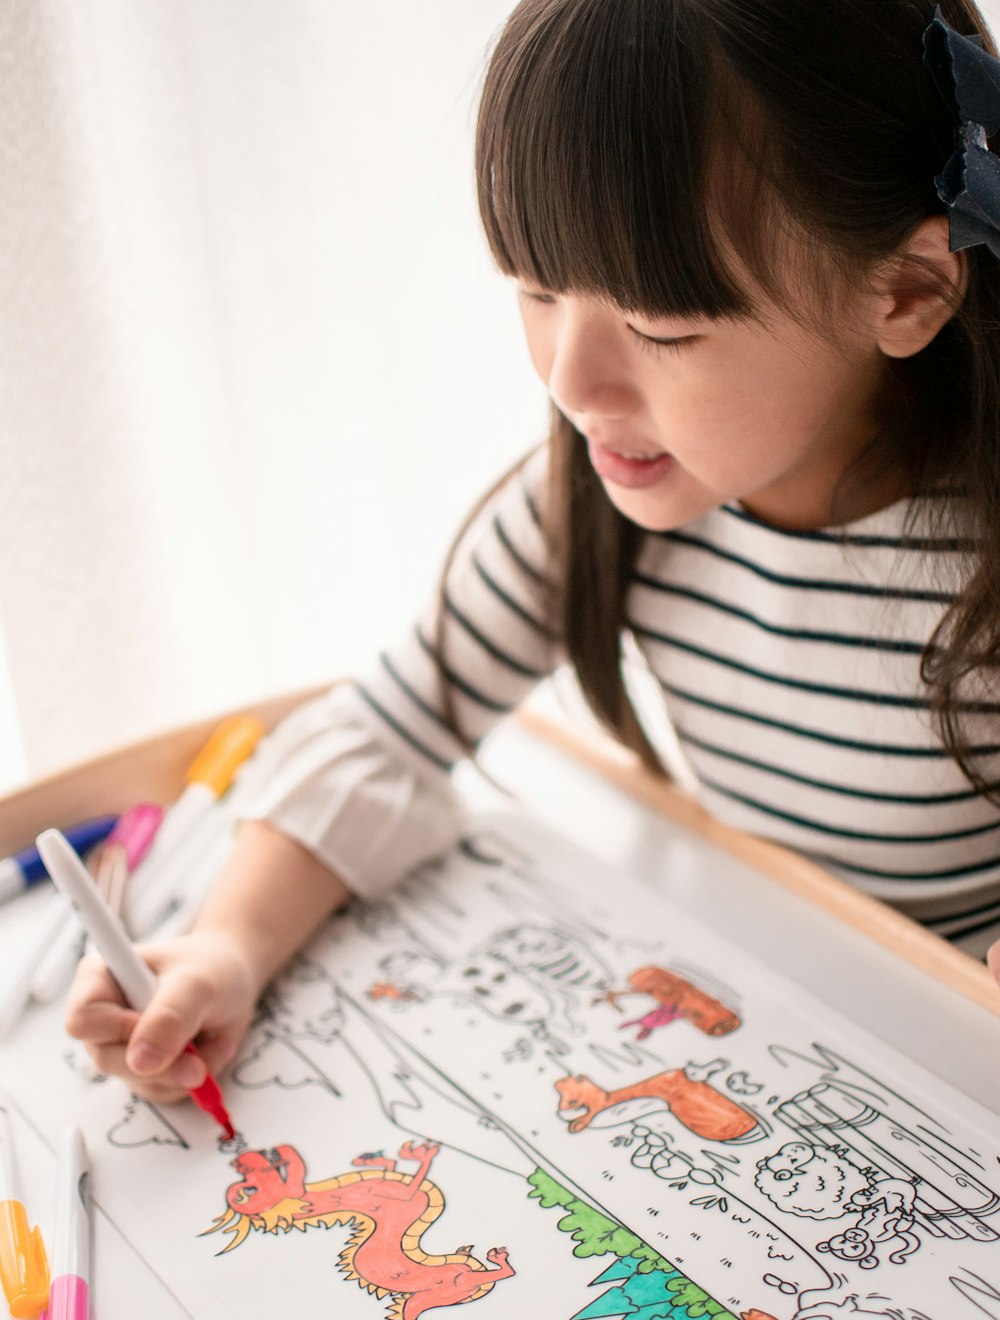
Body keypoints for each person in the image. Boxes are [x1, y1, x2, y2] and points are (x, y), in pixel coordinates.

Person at [67, 0, 1000, 1104]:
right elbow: (395, 726)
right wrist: (224, 948)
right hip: (775, 1021)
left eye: (661, 329)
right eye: (538, 288)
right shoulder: (600, 494)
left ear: (905, 290)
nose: (569, 382)